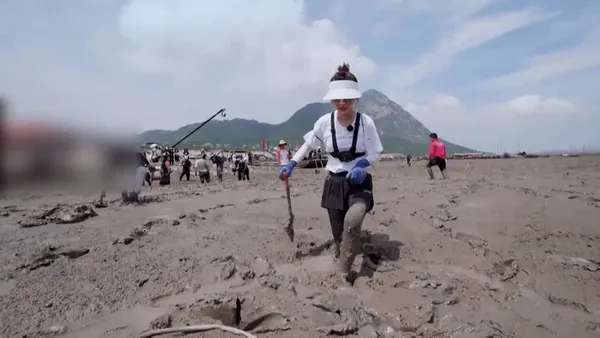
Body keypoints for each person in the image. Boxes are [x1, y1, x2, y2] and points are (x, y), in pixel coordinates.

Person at [278, 63, 383, 276]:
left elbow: (376, 152)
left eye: (347, 99)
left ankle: (345, 273)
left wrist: (363, 164)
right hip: (334, 182)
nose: (342, 103)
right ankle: (341, 251)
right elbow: (308, 146)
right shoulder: (324, 123)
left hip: (358, 182)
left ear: (355, 98)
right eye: (337, 99)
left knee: (352, 221)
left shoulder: (366, 123)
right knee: (339, 235)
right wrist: (292, 164)